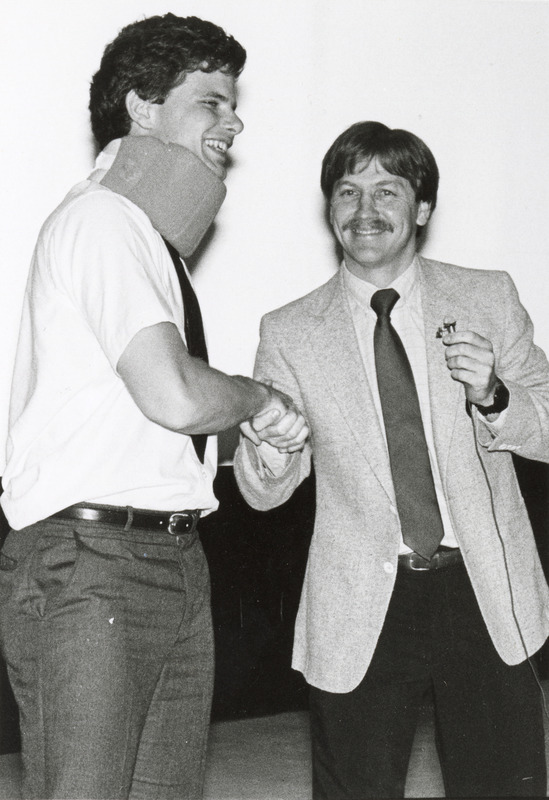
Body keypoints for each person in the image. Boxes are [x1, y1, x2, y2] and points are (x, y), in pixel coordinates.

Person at [0, 13, 307, 800]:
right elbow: (172, 392)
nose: (233, 121)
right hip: (94, 568)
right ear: (141, 107)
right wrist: (260, 399)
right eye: (211, 101)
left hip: (166, 559)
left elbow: (152, 416)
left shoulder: (140, 234)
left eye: (233, 104)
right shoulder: (102, 218)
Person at [234, 120, 549, 798]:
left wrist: (493, 396)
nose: (365, 210)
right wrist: (266, 444)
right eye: (347, 192)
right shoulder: (288, 331)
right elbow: (263, 492)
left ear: (422, 209)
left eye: (386, 190)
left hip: (482, 591)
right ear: (330, 210)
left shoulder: (486, 296)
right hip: (360, 600)